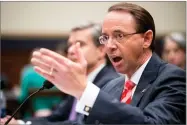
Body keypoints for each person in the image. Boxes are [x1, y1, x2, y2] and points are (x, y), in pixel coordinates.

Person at [28, 2, 185, 124]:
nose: (109, 45)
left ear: (146, 39)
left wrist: (84, 91)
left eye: (119, 35)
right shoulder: (112, 86)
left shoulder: (173, 78)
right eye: (105, 37)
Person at [1, 23, 119, 125]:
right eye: (70, 45)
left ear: (101, 50)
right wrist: (20, 123)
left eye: (80, 44)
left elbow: (80, 123)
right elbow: (56, 116)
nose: (71, 50)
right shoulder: (79, 80)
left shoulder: (111, 83)